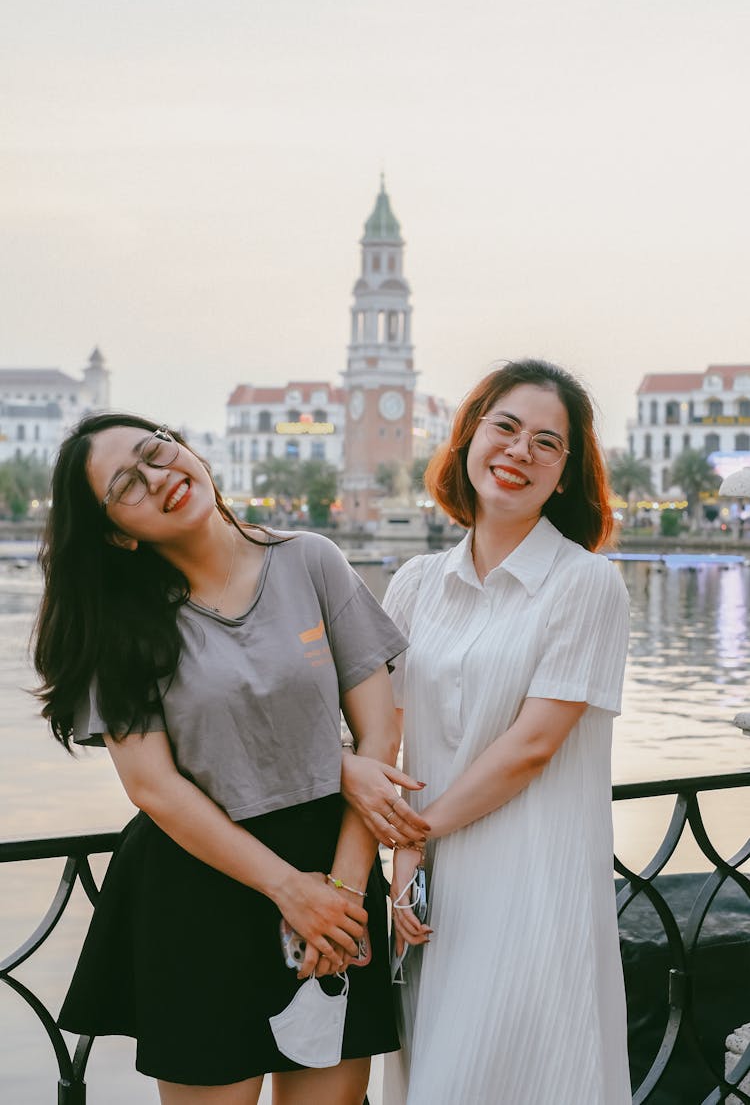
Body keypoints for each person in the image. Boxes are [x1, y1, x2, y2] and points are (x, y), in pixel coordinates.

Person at [33, 412, 426, 1105]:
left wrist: (337, 892)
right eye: (128, 484)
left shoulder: (313, 560)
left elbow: (378, 739)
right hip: (200, 888)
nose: (160, 478)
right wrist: (288, 890)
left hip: (335, 864)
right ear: (118, 532)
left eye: (158, 452)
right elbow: (155, 787)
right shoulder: (120, 626)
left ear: (186, 447)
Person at [346, 360, 632, 1104]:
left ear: (566, 475)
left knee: (517, 1068)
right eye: (505, 427)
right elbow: (389, 727)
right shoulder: (414, 583)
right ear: (469, 435)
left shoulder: (586, 584)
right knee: (437, 1065)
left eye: (548, 442)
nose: (520, 451)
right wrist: (401, 847)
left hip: (531, 874)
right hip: (432, 888)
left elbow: (532, 746)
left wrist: (411, 834)